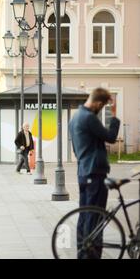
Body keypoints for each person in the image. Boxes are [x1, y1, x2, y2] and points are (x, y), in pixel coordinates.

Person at [69, 88, 120, 259]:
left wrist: (84, 160)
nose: (102, 108)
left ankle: (82, 253)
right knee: (95, 216)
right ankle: (90, 256)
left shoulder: (75, 117)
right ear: (98, 103)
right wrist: (114, 116)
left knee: (85, 215)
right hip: (95, 173)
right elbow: (111, 137)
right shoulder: (89, 118)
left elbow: (75, 149)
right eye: (103, 105)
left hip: (83, 172)